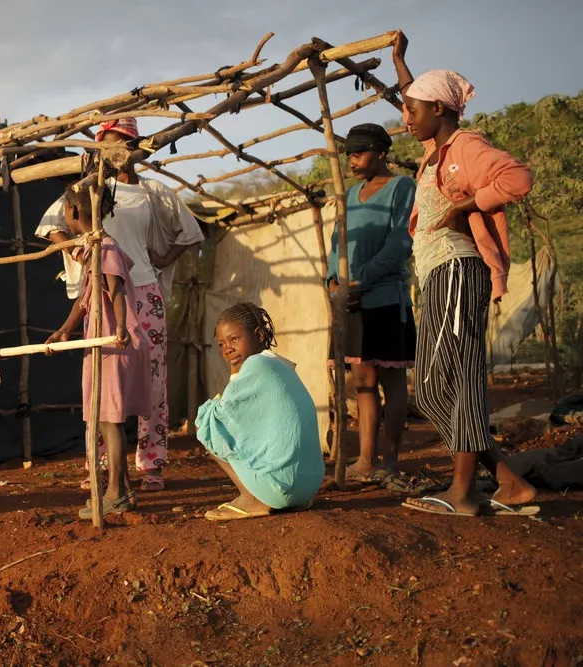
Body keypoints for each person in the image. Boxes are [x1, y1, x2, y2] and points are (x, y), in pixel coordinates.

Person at [393, 35, 538, 517]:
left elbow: (517, 177)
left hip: (458, 268)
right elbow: (416, 94)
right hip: (438, 274)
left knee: (456, 376)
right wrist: (400, 62)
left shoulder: (465, 147)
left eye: (413, 111)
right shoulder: (435, 151)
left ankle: (463, 492)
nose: (405, 118)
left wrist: (468, 204)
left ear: (439, 109)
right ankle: (506, 480)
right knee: (435, 389)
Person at [35, 118, 204, 492]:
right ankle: (98, 465)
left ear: (135, 145)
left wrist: (161, 258)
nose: (113, 153)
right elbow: (51, 226)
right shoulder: (86, 189)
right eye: (106, 145)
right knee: (101, 377)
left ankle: (151, 464)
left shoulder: (152, 191)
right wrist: (83, 255)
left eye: (121, 144)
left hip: (143, 290)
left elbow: (191, 233)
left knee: (152, 378)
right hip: (100, 293)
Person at [45, 180, 151, 519]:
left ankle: (116, 493)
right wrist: (64, 331)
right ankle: (124, 491)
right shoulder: (95, 249)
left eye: (64, 212)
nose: (64, 218)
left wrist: (119, 328)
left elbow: (115, 290)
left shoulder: (104, 247)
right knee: (105, 419)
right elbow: (86, 300)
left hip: (111, 342)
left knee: (109, 420)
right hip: (102, 340)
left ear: (75, 211)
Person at [327, 123, 417, 482]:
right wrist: (334, 281)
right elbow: (337, 243)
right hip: (350, 300)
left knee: (392, 381)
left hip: (385, 298)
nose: (352, 159)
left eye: (359, 152)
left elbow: (400, 243)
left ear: (381, 152)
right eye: (349, 153)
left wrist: (359, 282)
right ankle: (365, 460)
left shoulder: (401, 187)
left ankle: (389, 461)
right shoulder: (348, 195)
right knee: (362, 380)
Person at [195, 303, 324, 521]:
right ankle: (266, 493)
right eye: (221, 344)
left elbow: (221, 414)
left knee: (206, 423)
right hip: (307, 488)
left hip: (280, 489)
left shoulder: (256, 365)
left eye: (234, 339)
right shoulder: (279, 364)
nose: (227, 349)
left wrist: (234, 371)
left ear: (259, 335)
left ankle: (252, 498)